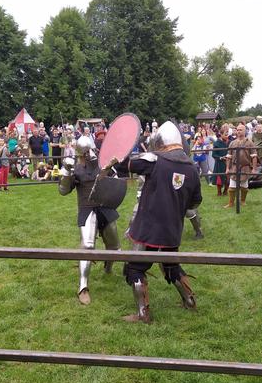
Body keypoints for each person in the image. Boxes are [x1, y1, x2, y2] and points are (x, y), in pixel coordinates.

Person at [119, 121, 202, 323]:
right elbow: (195, 201)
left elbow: (123, 164)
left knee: (135, 269)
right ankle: (189, 301)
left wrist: (119, 147)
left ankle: (143, 314)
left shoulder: (154, 160)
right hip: (172, 229)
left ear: (160, 142)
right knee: (171, 266)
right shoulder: (191, 168)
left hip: (148, 229)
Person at [58, 135, 120, 306]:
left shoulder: (103, 164)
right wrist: (67, 173)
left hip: (105, 207)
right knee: (87, 246)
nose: (90, 154)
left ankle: (108, 268)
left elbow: (116, 183)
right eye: (86, 152)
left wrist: (109, 169)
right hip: (87, 209)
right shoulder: (76, 169)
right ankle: (83, 286)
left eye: (91, 150)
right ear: (81, 154)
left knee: (114, 246)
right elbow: (63, 191)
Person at [224, 123, 257, 208]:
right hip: (234, 167)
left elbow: (254, 156)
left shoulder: (250, 143)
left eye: (240, 130)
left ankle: (242, 201)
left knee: (244, 186)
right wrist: (227, 168)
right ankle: (231, 203)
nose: (238, 131)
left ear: (245, 131)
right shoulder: (232, 143)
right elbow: (229, 157)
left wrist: (254, 169)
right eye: (237, 130)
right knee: (232, 187)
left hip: (245, 167)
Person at [211, 125, 230, 196]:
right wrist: (221, 157)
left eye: (227, 134)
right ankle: (219, 192)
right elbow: (214, 155)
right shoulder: (217, 143)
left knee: (228, 178)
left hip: (228, 163)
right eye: (225, 134)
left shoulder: (229, 142)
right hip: (219, 164)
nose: (227, 136)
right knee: (219, 179)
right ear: (221, 134)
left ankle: (225, 191)